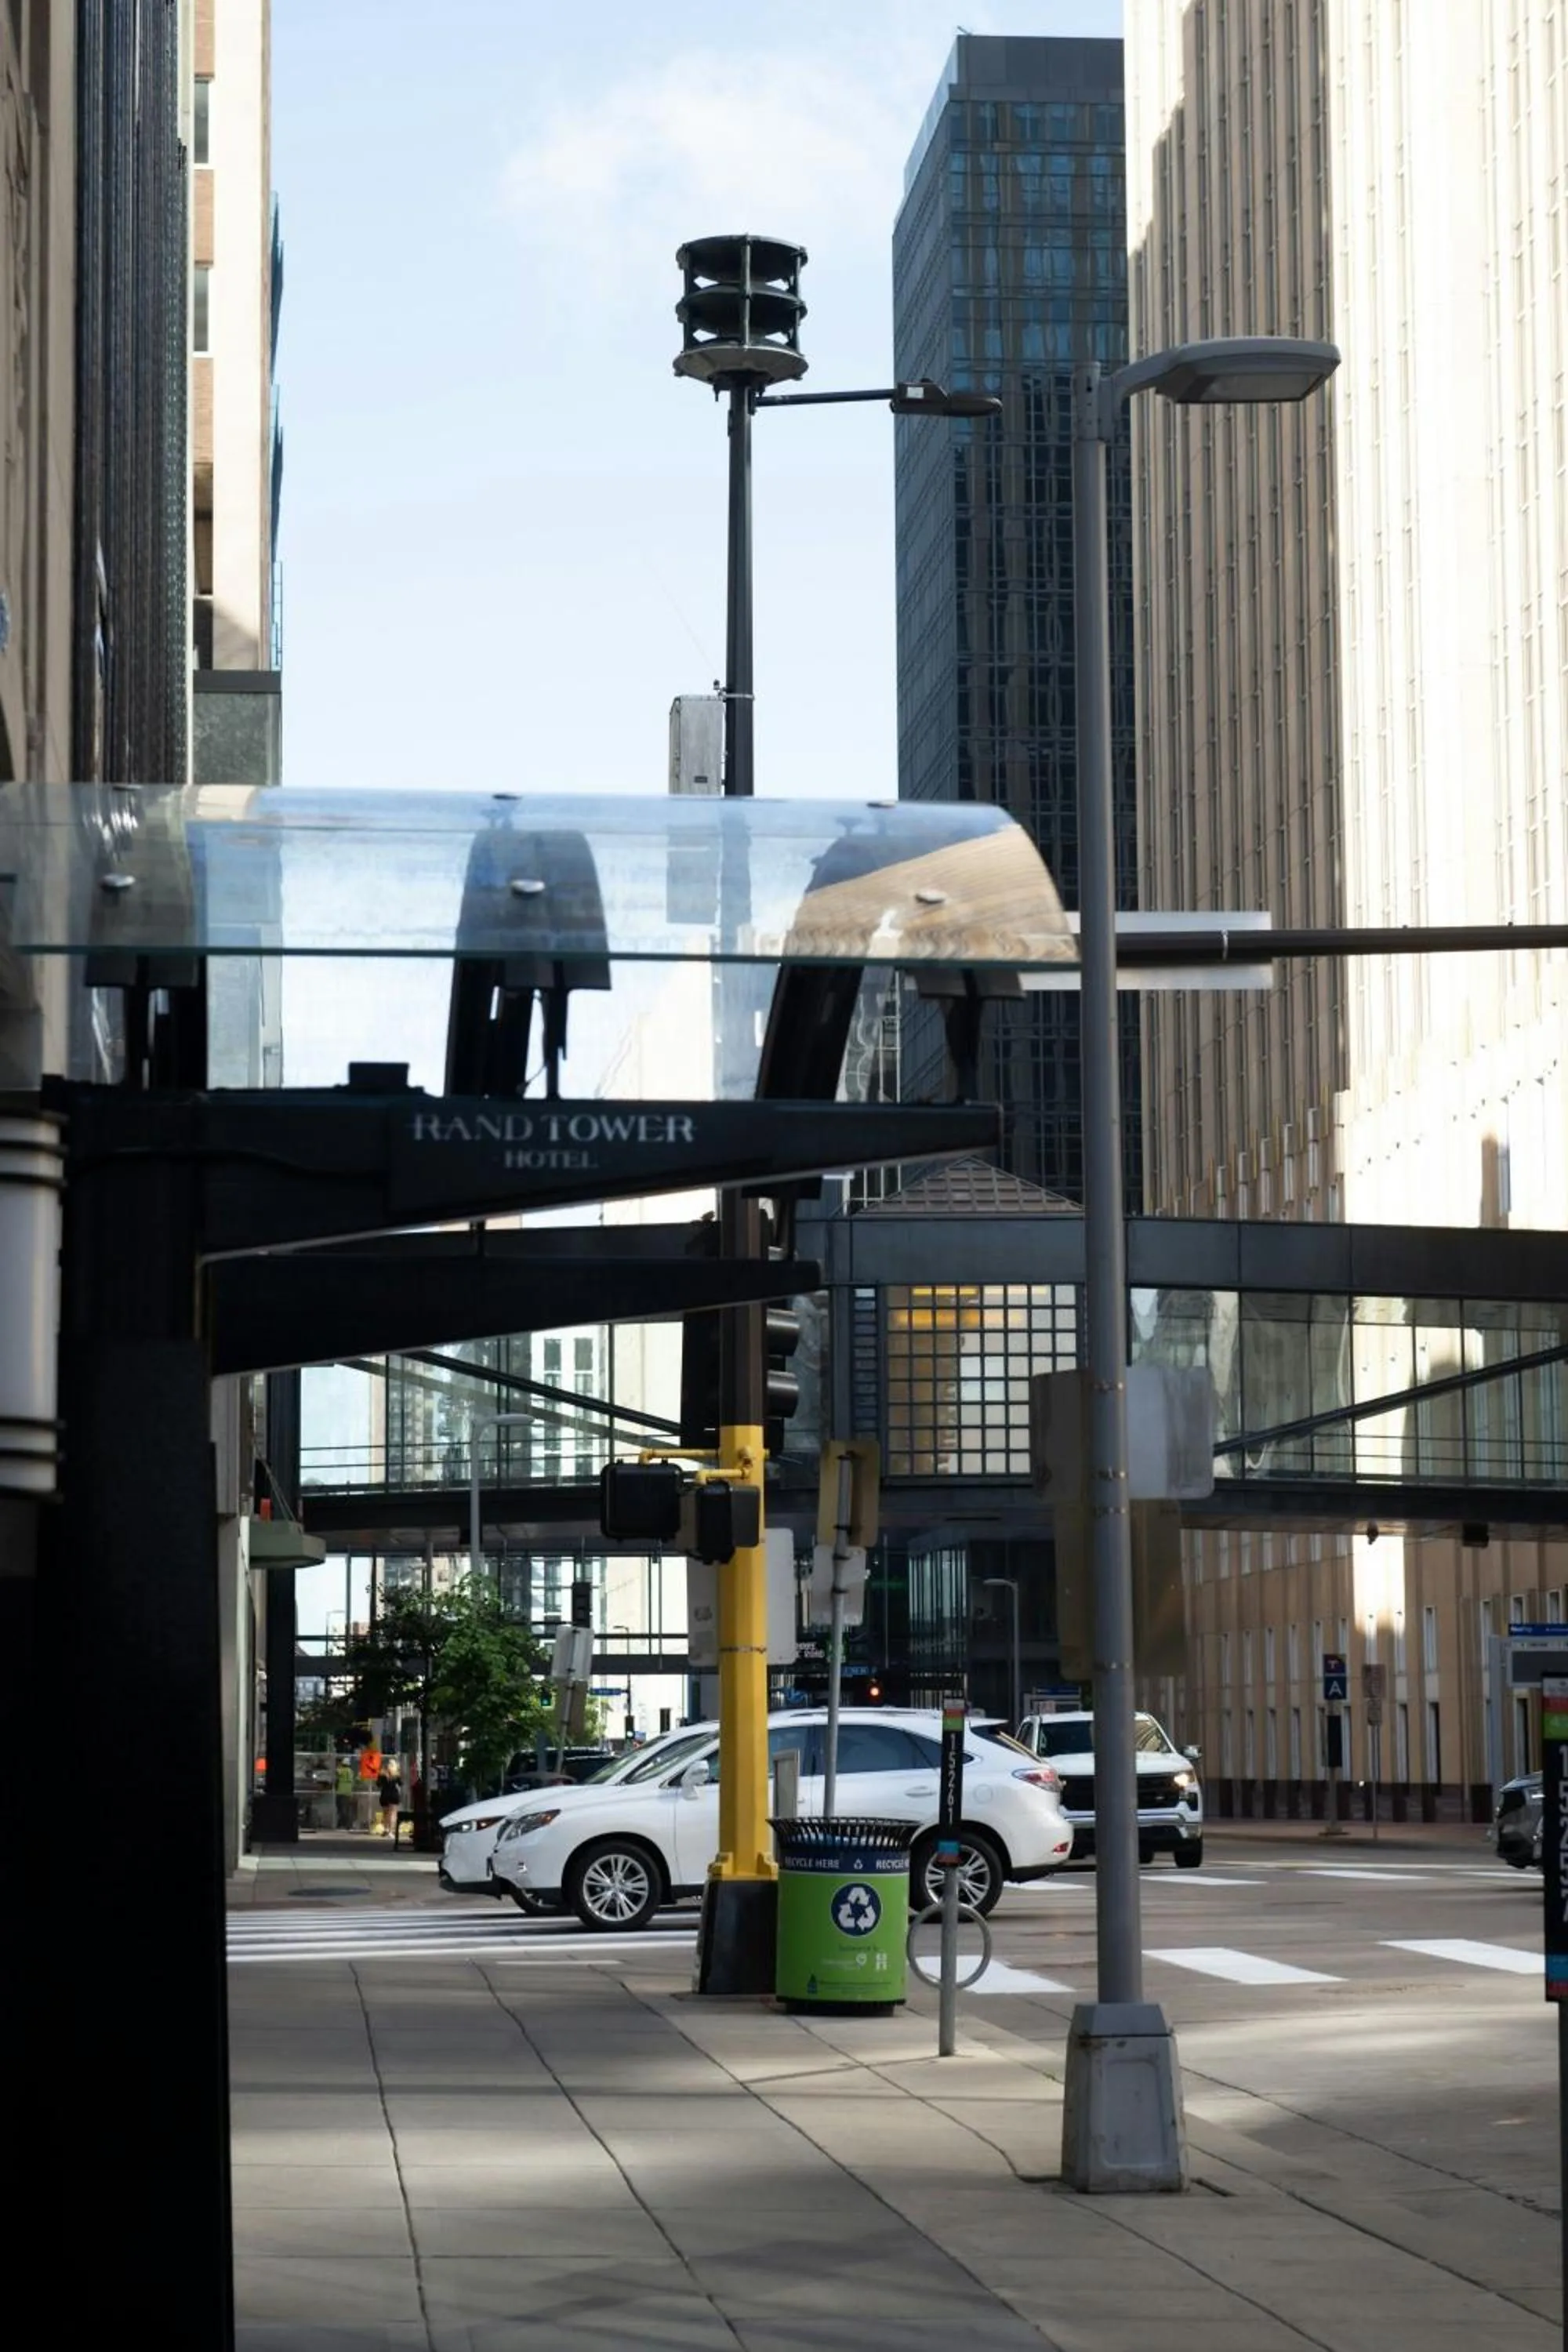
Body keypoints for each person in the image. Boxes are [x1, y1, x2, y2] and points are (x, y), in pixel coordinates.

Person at [376, 1761, 402, 1842]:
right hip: (393, 1795)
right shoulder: (396, 1774)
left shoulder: (382, 1774)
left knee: (385, 1813)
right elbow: (401, 1783)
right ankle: (391, 1831)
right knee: (393, 1814)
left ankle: (386, 1829)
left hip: (384, 1794)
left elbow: (378, 1784)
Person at [334, 1754, 355, 1831]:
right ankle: (347, 1825)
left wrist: (338, 1765)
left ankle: (344, 1825)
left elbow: (337, 1771)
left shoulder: (342, 1770)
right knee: (347, 1809)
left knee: (341, 1810)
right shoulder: (351, 1772)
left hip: (341, 1792)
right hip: (348, 1792)